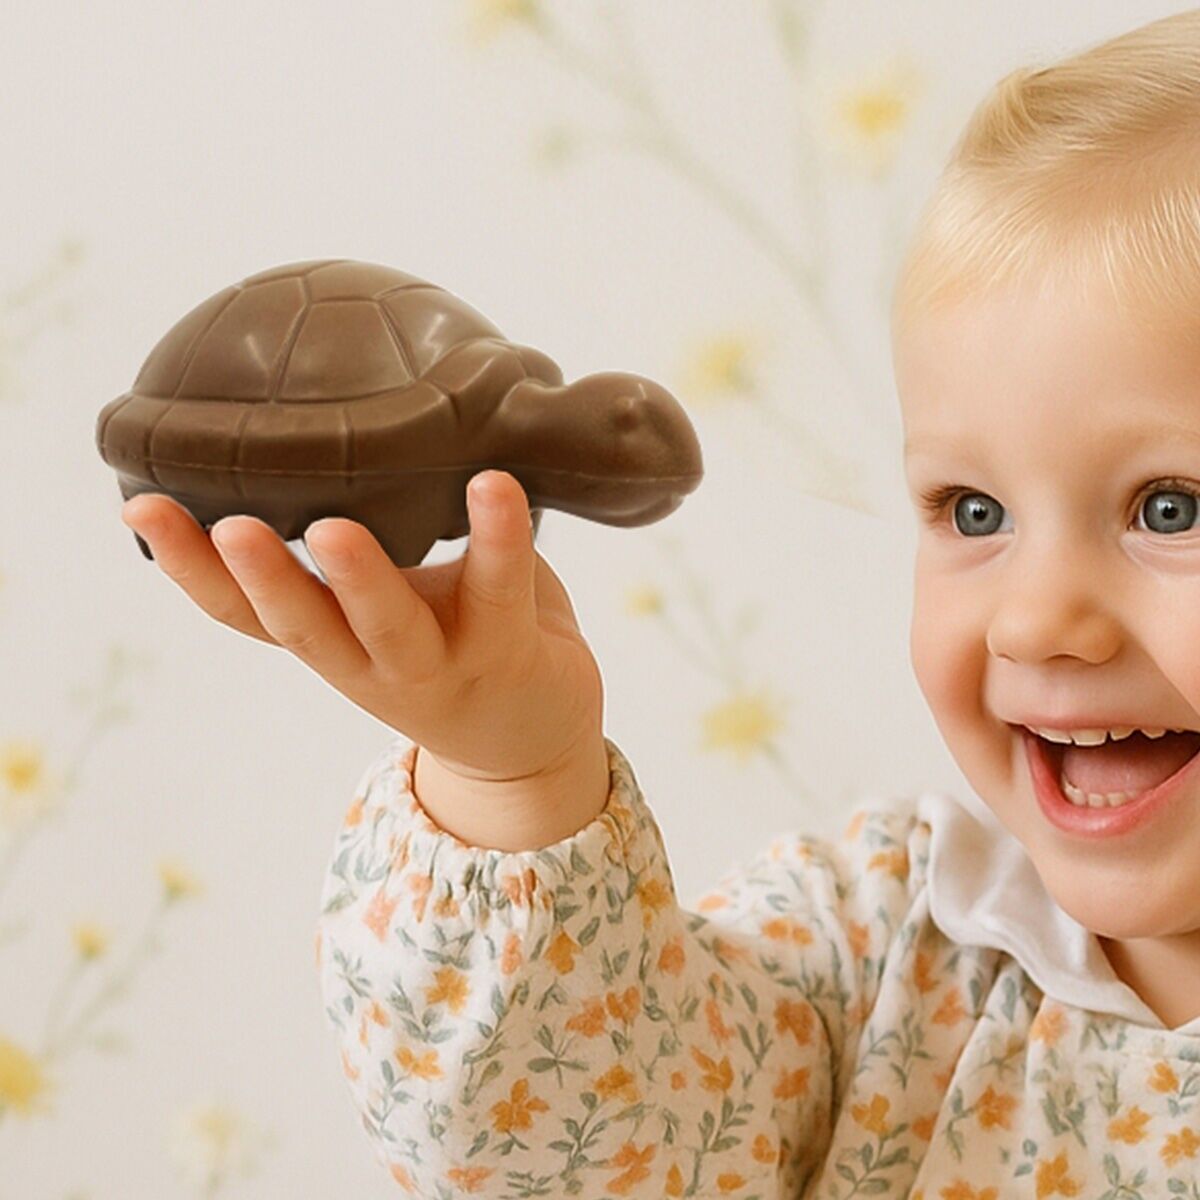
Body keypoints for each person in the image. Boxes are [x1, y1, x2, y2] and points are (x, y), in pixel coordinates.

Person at [120, 8, 1200, 1195]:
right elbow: (558, 1147)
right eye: (974, 512)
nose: (1035, 622)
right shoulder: (890, 945)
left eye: (1170, 509)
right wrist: (514, 772)